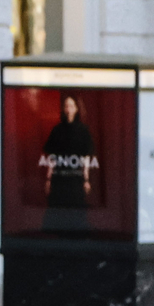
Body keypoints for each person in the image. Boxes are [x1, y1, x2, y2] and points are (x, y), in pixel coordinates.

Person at [39, 94, 101, 231]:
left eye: (71, 106)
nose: (68, 109)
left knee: (76, 210)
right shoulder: (57, 130)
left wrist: (86, 179)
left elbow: (86, 157)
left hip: (76, 179)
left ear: (76, 109)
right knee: (58, 211)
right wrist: (48, 179)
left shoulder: (83, 131)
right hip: (59, 178)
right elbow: (52, 157)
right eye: (66, 106)